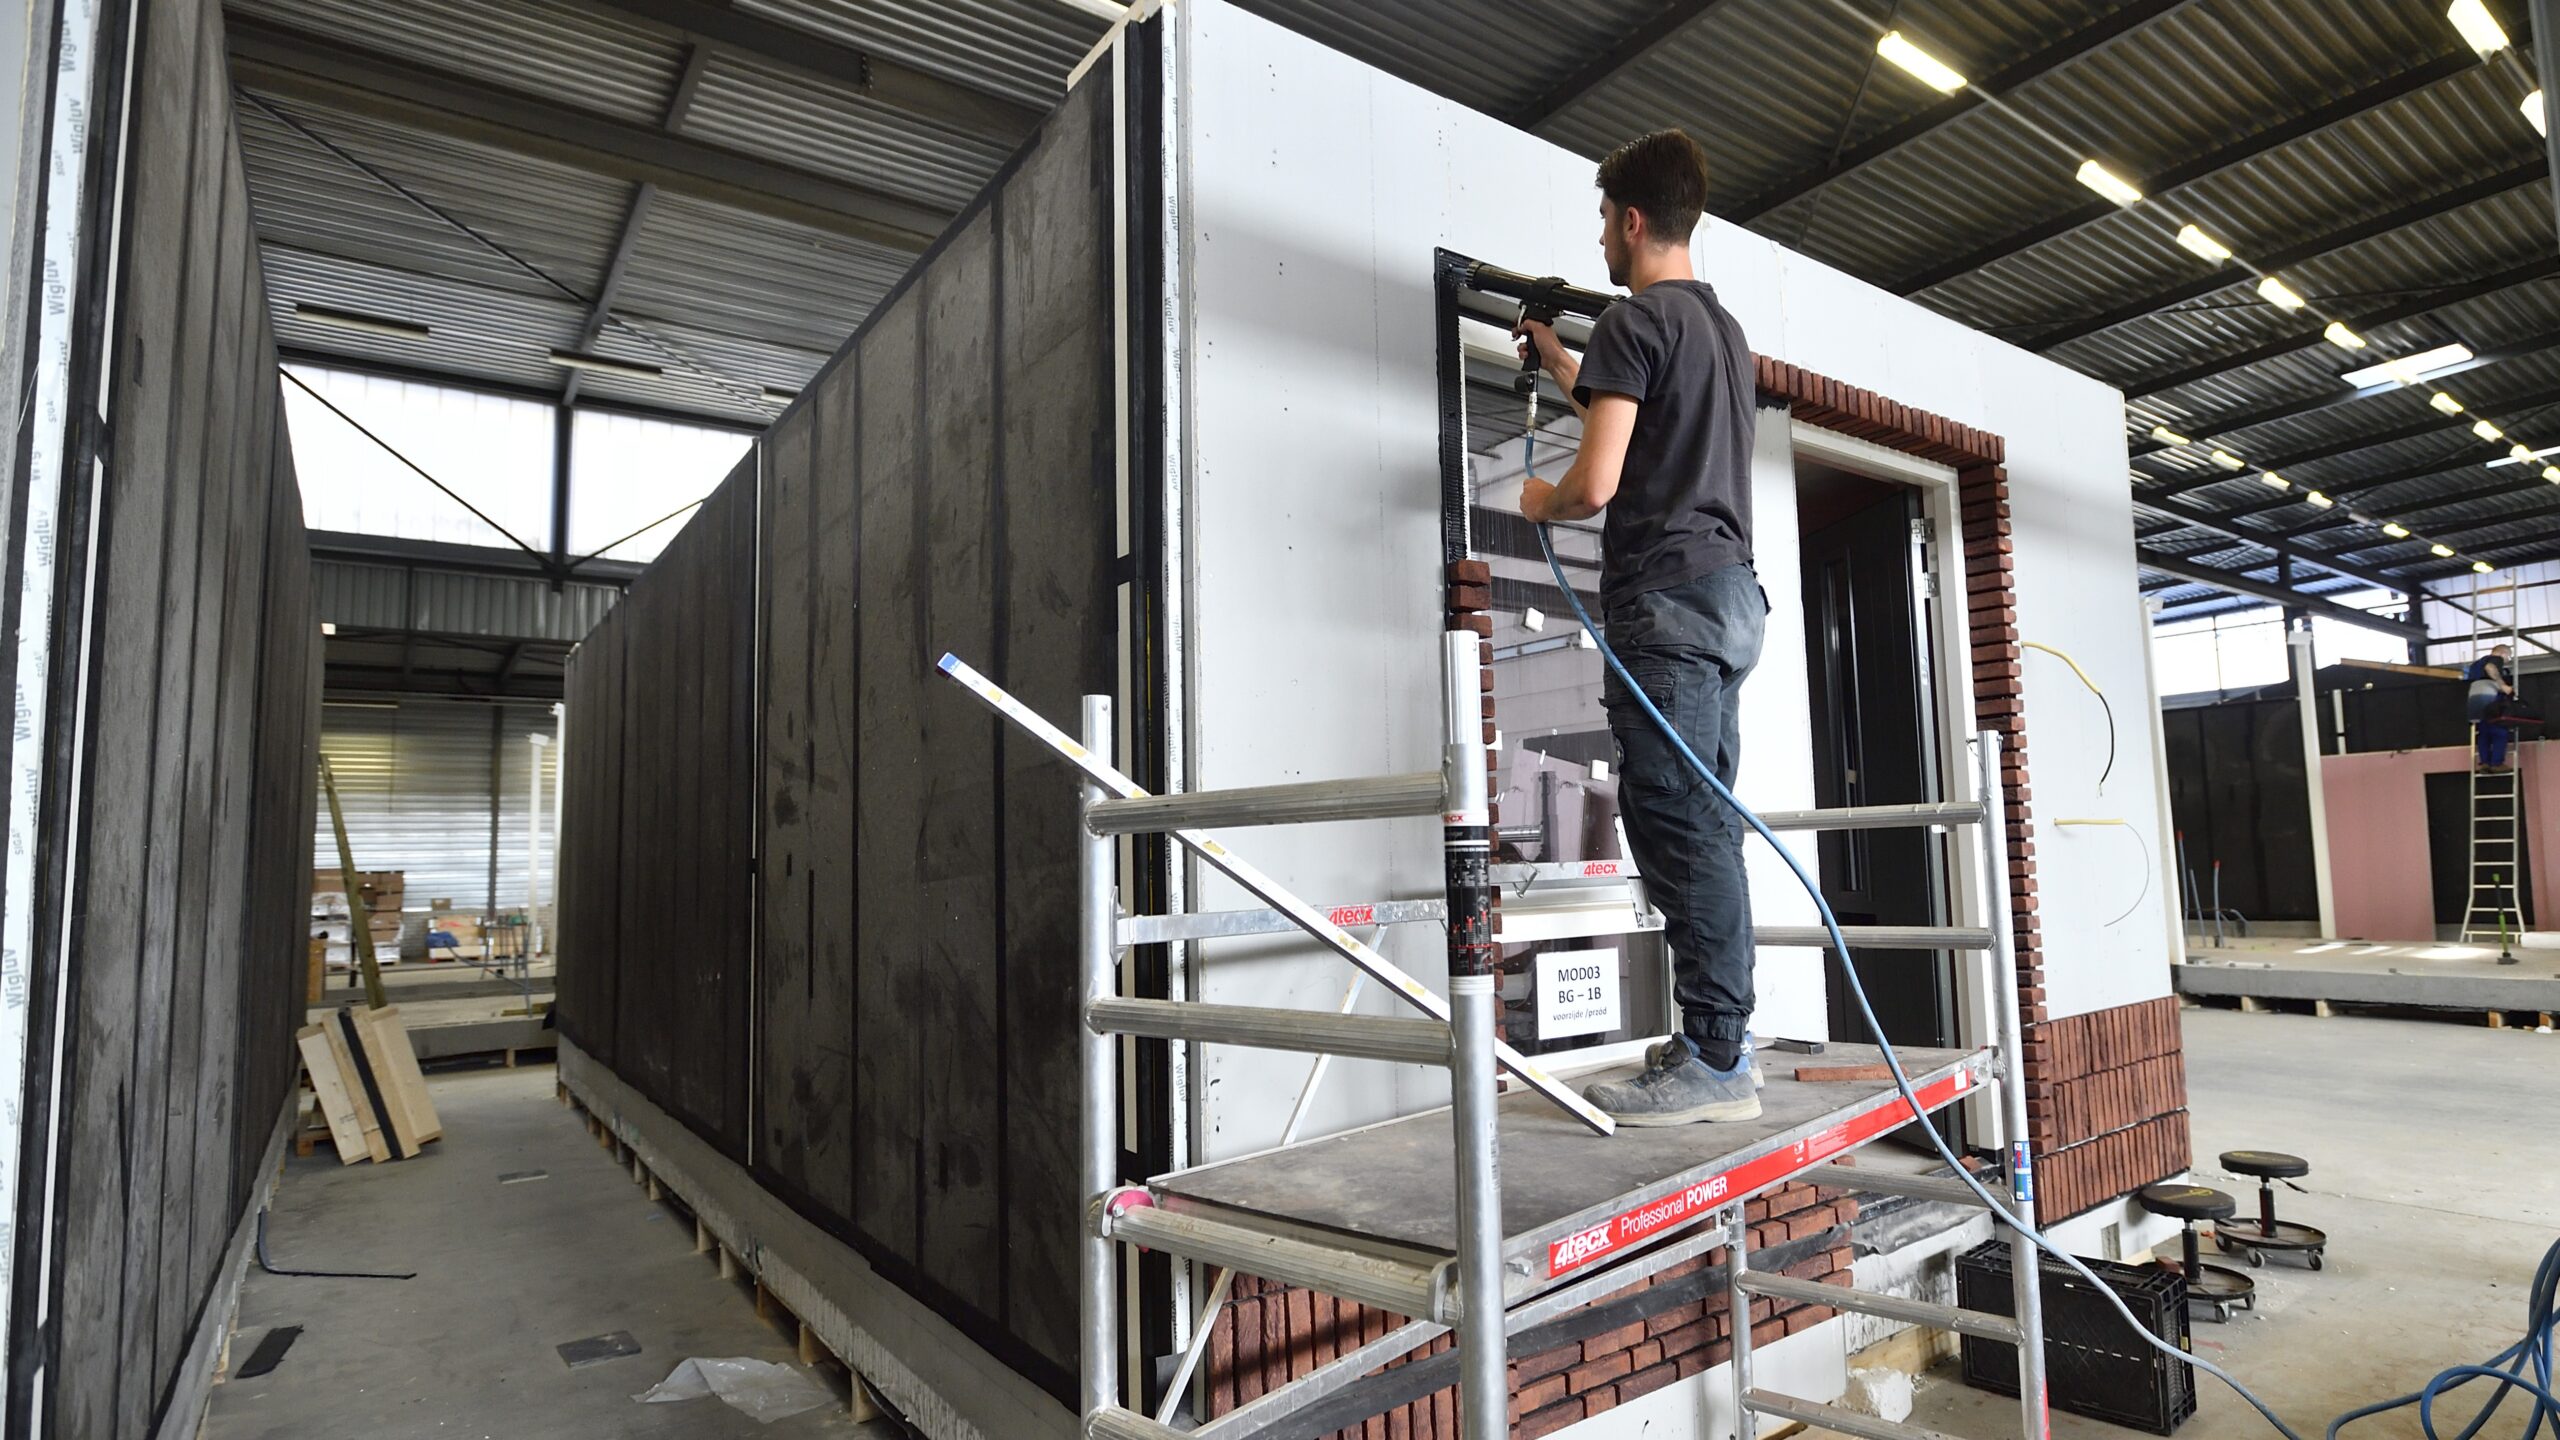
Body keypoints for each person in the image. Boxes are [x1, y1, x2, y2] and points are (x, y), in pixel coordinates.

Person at [1516, 129, 1765, 1126]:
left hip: (1663, 600)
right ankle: (1719, 1040)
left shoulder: (1635, 318)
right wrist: (1550, 354)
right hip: (1728, 599)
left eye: (1602, 223)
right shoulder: (1720, 332)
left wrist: (1539, 498)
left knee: (1675, 824)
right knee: (1707, 823)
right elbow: (1628, 412)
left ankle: (1712, 1060)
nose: (1602, 243)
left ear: (1627, 219)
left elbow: (1597, 480)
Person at [2465, 643, 2538, 769]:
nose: (2507, 660)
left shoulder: (2475, 664)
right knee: (2499, 729)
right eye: (2508, 657)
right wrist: (2503, 685)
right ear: (2503, 653)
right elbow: (2490, 667)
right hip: (2489, 694)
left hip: (2473, 696)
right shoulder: (2495, 659)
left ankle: (2485, 763)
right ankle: (2497, 763)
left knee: (2483, 731)